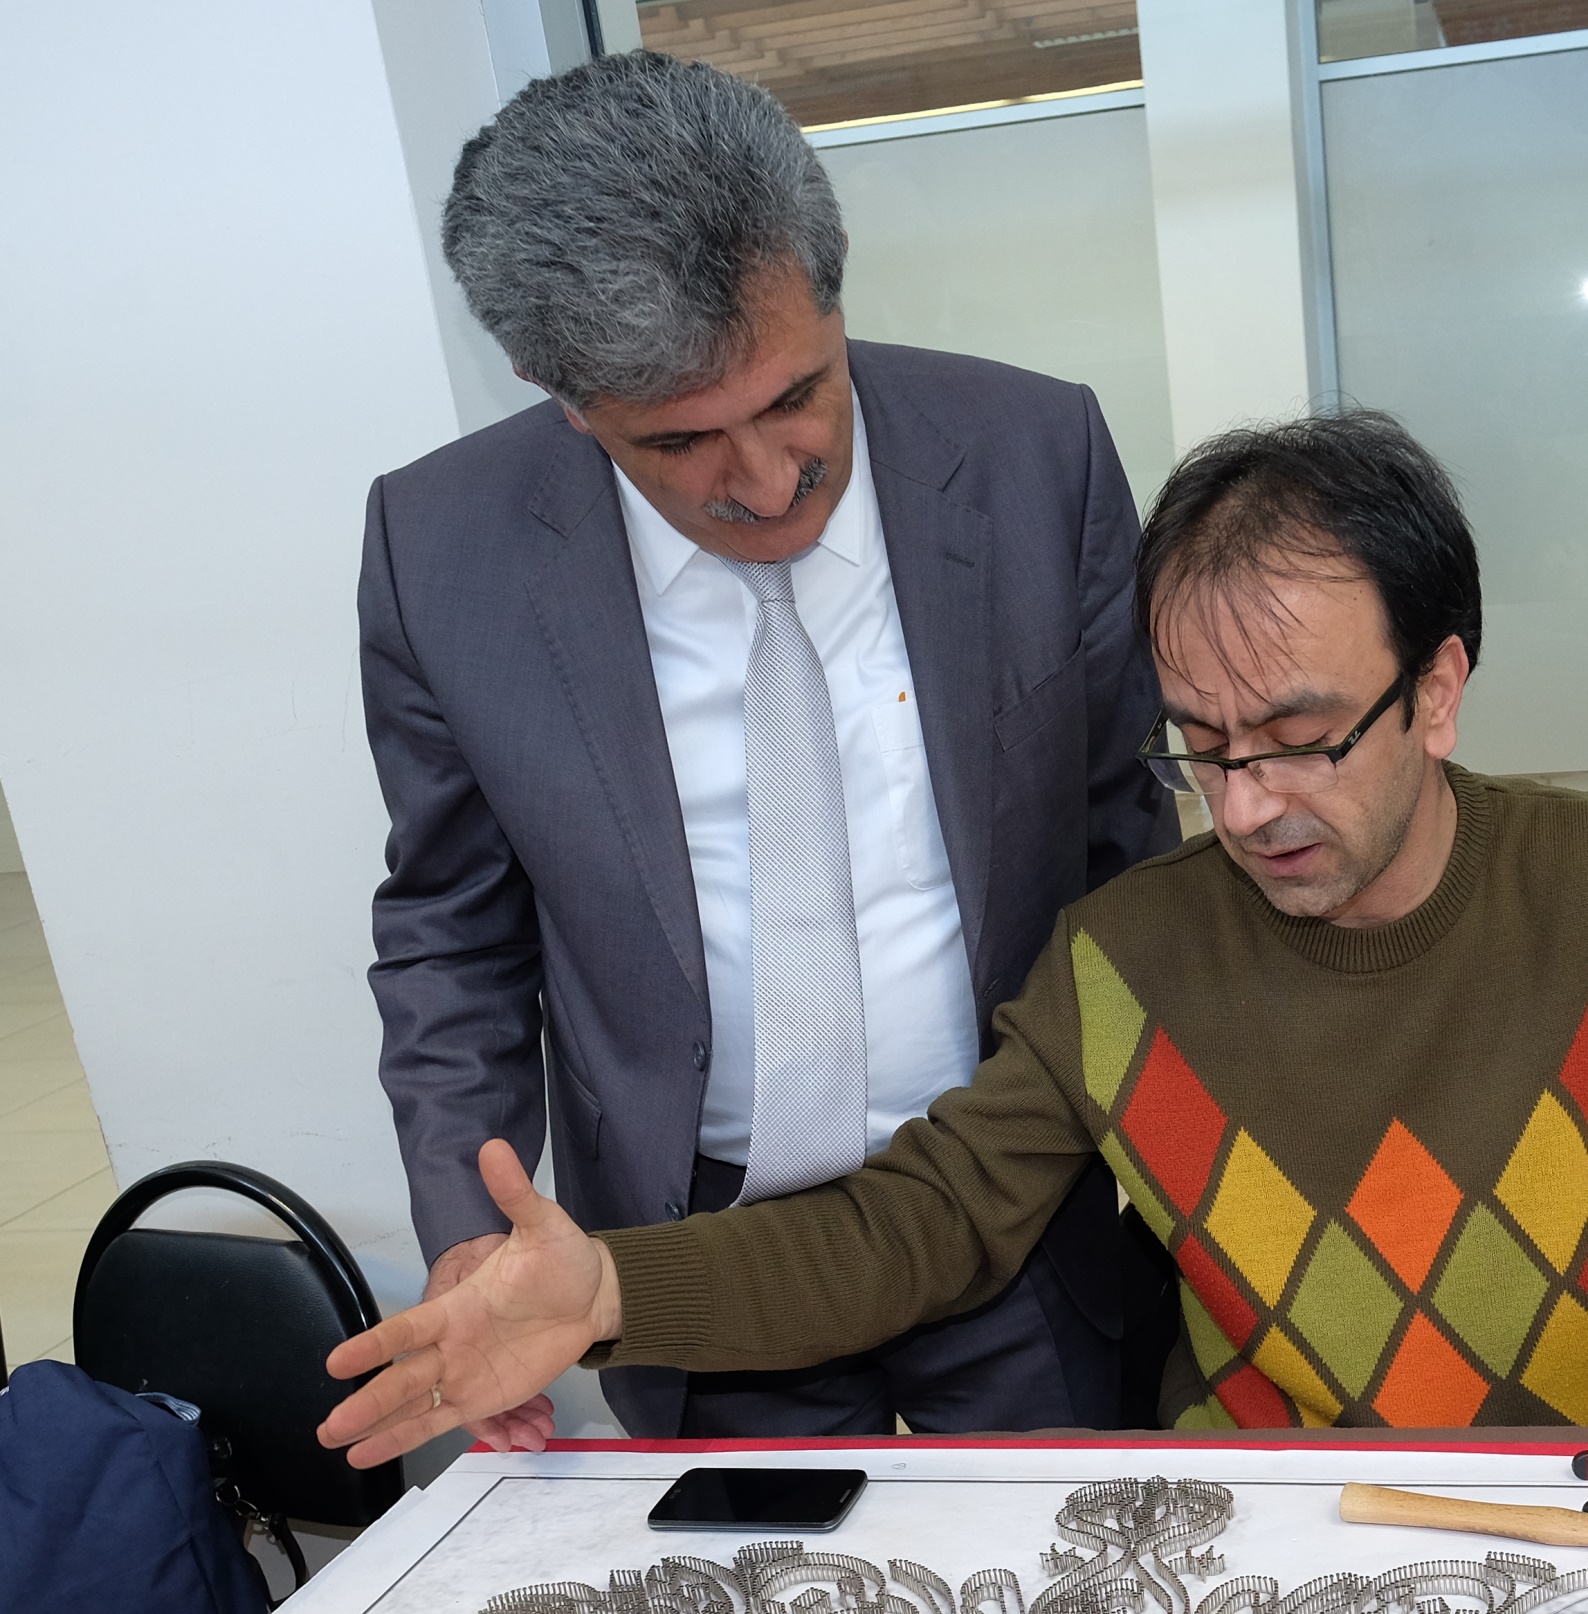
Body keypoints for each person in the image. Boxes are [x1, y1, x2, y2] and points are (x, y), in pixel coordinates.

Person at [324, 412, 1588, 1474]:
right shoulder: (1128, 957)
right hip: (1261, 1533)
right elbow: (922, 1224)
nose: (1248, 808)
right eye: (1203, 746)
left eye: (1306, 737)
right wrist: (613, 1287)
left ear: (1441, 688)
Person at [358, 53, 1174, 1445]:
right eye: (681, 440)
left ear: (833, 294)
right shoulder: (444, 550)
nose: (770, 476)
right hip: (688, 1253)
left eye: (799, 395)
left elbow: (1127, 842)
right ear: (559, 392)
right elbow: (450, 927)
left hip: (1013, 1208)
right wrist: (471, 1225)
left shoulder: (1038, 454)